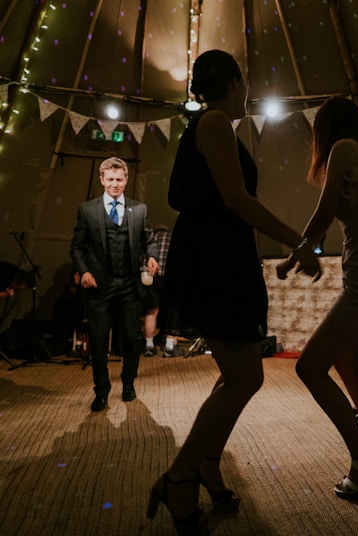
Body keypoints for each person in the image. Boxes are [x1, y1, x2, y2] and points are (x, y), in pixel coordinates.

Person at [147, 50, 320, 535]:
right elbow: (237, 199)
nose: (250, 92)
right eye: (245, 81)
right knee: (245, 378)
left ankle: (205, 466)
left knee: (236, 375)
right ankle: (179, 477)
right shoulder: (218, 120)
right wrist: (299, 241)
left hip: (218, 255)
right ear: (232, 81)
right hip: (216, 261)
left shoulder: (212, 124)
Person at [277, 96, 358, 500]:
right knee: (347, 361)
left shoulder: (343, 150)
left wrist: (297, 253)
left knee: (310, 368)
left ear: (326, 129)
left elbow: (325, 210)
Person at [70, 157, 159, 412]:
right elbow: (77, 247)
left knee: (131, 339)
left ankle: (129, 383)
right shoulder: (87, 210)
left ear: (126, 180)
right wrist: (84, 271)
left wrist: (152, 256)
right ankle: (101, 391)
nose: (115, 184)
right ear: (102, 180)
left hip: (129, 285)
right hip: (100, 286)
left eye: (119, 179)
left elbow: (149, 241)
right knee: (98, 340)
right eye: (110, 179)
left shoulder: (139, 209)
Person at [142, 225, 180, 358]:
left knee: (151, 312)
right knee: (172, 312)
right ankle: (169, 347)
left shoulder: (150, 240)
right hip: (170, 278)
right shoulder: (172, 237)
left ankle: (149, 346)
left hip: (152, 278)